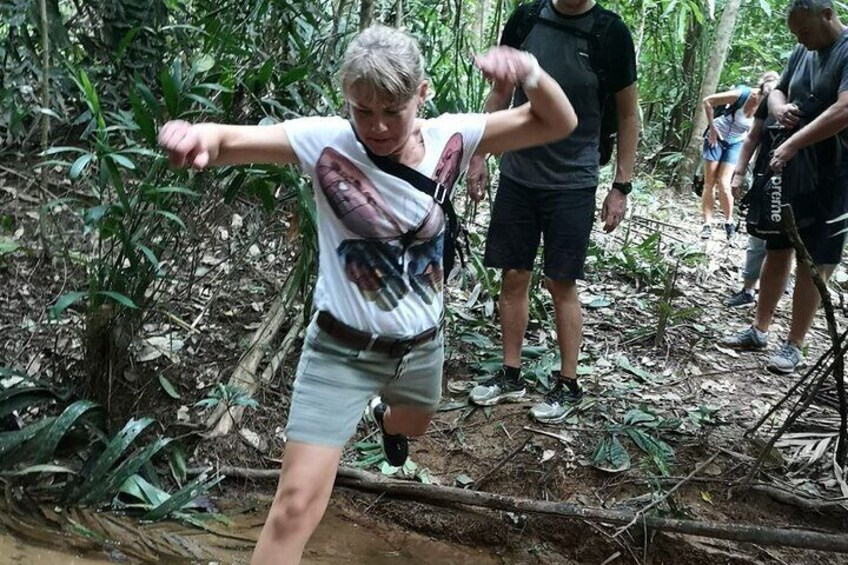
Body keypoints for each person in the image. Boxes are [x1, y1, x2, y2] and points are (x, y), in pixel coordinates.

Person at [158, 25, 577, 565]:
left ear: (421, 95)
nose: (377, 126)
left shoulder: (456, 136)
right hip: (338, 350)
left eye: (393, 111)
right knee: (293, 507)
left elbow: (556, 122)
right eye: (363, 111)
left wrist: (530, 73)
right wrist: (196, 138)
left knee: (413, 423)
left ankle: (384, 417)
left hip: (420, 349)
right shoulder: (325, 140)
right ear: (346, 102)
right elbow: (230, 141)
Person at [466, 0, 638, 423]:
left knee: (561, 281)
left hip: (574, 179)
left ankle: (568, 382)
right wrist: (478, 155)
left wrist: (621, 186)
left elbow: (628, 112)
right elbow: (501, 94)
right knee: (514, 274)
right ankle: (510, 374)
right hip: (519, 173)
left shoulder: (610, 32)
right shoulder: (527, 18)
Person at [720, 0, 848, 374]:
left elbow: (844, 109)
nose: (801, 40)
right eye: (796, 34)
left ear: (827, 15)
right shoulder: (801, 50)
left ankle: (794, 344)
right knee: (778, 248)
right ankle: (759, 329)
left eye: (805, 31)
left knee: (814, 262)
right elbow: (777, 90)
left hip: (833, 174)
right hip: (791, 173)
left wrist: (794, 142)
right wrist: (778, 109)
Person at [724, 71, 782, 308]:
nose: (769, 95)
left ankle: (773, 294)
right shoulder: (764, 111)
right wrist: (739, 174)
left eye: (773, 90)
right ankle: (748, 289)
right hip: (761, 178)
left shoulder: (796, 107)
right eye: (765, 91)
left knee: (780, 243)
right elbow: (752, 139)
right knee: (756, 237)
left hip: (786, 183)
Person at [700, 81, 763, 241]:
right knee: (710, 182)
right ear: (759, 93)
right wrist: (712, 129)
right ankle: (707, 224)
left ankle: (729, 223)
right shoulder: (741, 95)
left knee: (724, 182)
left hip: (736, 143)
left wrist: (750, 158)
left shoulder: (765, 107)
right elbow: (708, 101)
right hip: (716, 137)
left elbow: (754, 134)